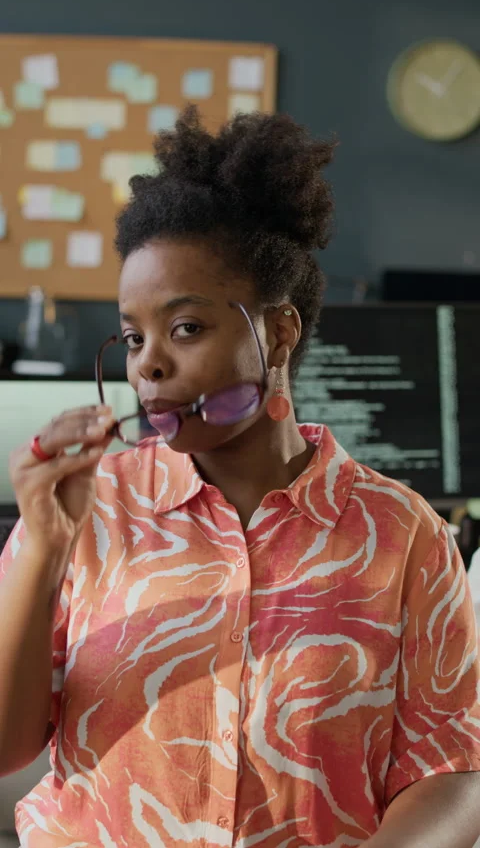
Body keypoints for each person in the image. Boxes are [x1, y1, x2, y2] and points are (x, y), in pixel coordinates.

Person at [1, 107, 480, 848]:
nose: (148, 364)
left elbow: (452, 768)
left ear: (279, 331)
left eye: (185, 328)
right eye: (132, 337)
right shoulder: (89, 507)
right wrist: (42, 547)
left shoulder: (403, 533)